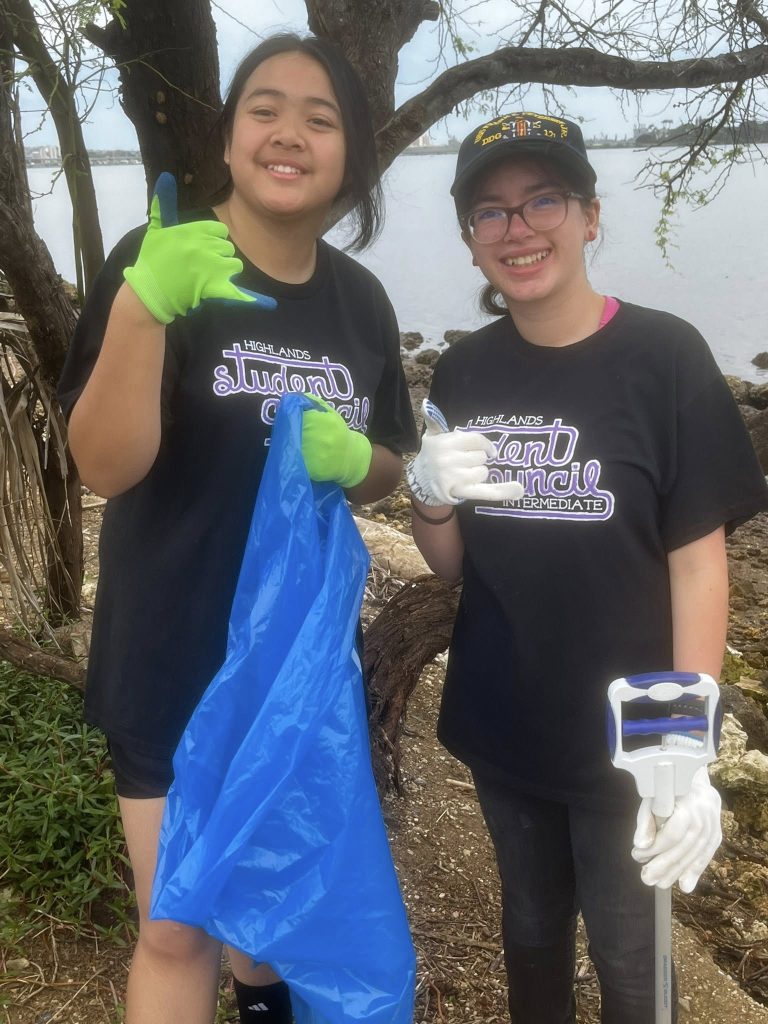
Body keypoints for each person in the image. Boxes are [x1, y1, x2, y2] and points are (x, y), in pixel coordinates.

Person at [57, 34, 416, 1024]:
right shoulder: (158, 258)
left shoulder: (362, 303)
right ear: (230, 134)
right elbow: (102, 465)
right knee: (178, 928)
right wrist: (144, 308)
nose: (288, 132)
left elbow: (389, 464)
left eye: (320, 115)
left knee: (275, 928)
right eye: (265, 107)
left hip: (296, 678)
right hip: (170, 654)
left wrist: (360, 463)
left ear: (350, 153)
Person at [406, 111, 768, 1023]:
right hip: (504, 718)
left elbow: (698, 567)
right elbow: (449, 565)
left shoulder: (666, 356)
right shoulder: (464, 371)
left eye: (544, 201)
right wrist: (430, 495)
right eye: (491, 212)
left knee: (628, 951)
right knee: (529, 929)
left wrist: (686, 742)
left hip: (632, 737)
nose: (518, 228)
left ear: (591, 216)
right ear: (470, 239)